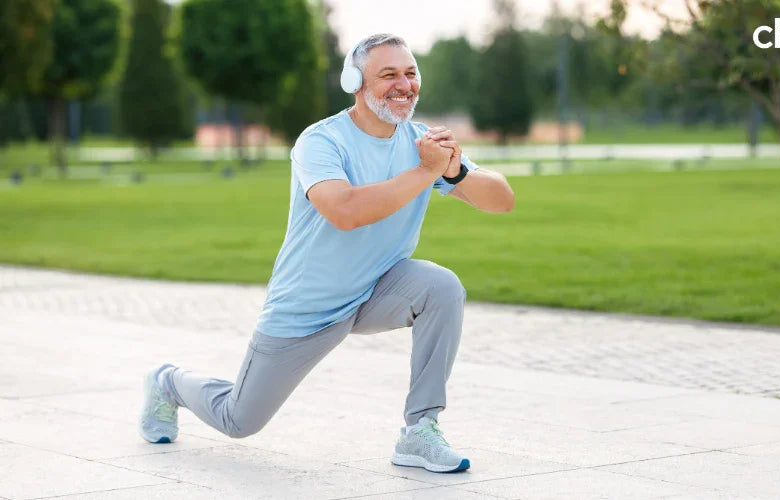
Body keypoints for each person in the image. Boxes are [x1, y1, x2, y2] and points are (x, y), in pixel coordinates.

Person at [139, 33, 514, 473]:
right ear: (354, 81)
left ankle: (420, 431)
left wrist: (455, 168)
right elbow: (345, 211)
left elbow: (501, 199)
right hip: (308, 307)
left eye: (410, 73)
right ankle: (168, 383)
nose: (403, 84)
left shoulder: (421, 145)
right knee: (239, 420)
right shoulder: (321, 141)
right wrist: (427, 171)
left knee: (441, 287)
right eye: (388, 74)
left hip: (376, 290)